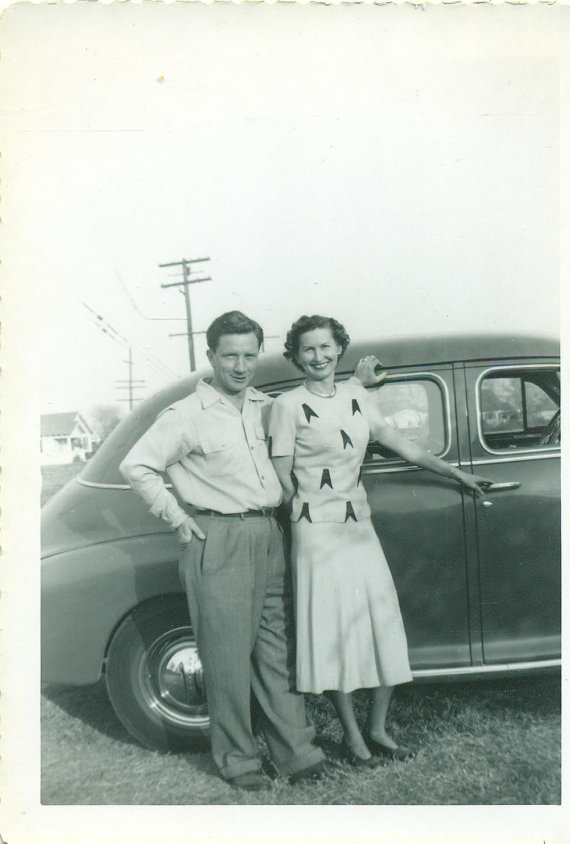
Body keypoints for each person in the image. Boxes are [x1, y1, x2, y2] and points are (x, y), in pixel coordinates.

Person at [119, 310, 378, 790]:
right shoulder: (186, 415)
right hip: (218, 538)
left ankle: (297, 753)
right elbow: (136, 466)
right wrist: (178, 520)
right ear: (211, 356)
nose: (241, 365)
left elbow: (324, 408)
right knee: (227, 661)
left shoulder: (264, 406)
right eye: (230, 356)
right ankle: (239, 761)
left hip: (267, 534)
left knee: (275, 653)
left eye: (249, 355)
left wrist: (359, 383)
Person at [268, 315, 491, 768]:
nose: (318, 357)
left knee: (380, 619)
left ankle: (378, 728)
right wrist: (304, 512)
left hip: (358, 526)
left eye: (326, 347)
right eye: (308, 350)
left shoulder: (357, 396)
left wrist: (457, 473)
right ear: (295, 356)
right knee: (331, 630)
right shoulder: (287, 406)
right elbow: (281, 475)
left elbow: (403, 445)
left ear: (339, 348)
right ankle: (352, 737)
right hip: (315, 533)